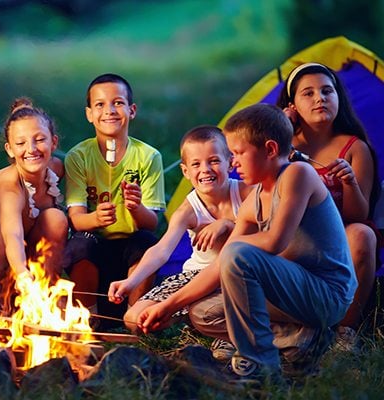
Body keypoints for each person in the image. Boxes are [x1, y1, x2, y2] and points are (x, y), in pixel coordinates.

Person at [139, 104, 356, 383]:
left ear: (269, 149)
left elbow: (276, 240)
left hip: (326, 294)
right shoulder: (253, 201)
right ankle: (299, 339)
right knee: (203, 313)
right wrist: (168, 305)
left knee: (237, 251)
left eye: (238, 153)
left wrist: (231, 244)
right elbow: (220, 266)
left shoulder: (297, 174)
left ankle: (260, 366)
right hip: (289, 296)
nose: (234, 161)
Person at [107, 125, 251, 342]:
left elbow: (262, 235)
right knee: (135, 318)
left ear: (230, 161)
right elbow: (162, 250)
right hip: (197, 275)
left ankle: (204, 320)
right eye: (196, 164)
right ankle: (189, 314)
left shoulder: (245, 193)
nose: (205, 170)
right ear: (185, 171)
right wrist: (131, 282)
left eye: (213, 160)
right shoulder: (189, 209)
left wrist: (226, 224)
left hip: (236, 276)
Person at [277, 62, 381, 349]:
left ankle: (345, 331)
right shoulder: (280, 146)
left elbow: (358, 216)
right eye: (307, 93)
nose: (319, 98)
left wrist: (350, 182)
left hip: (339, 241)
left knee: (363, 234)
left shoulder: (355, 148)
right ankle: (291, 325)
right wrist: (281, 131)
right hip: (294, 239)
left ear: (338, 98)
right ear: (292, 105)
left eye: (327, 91)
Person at [64, 73, 166, 323]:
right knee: (80, 242)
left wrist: (136, 208)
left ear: (132, 110)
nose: (109, 110)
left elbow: (151, 223)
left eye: (118, 103)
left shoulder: (148, 157)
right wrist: (96, 218)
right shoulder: (78, 157)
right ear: (89, 114)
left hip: (130, 250)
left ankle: (133, 315)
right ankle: (89, 317)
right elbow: (76, 220)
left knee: (148, 242)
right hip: (95, 250)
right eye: (100, 104)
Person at [0, 97, 68, 315]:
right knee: (1, 233)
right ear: (9, 149)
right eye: (21, 143)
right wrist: (22, 274)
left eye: (40, 140)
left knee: (56, 219)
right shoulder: (10, 187)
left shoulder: (56, 168)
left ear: (53, 142)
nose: (32, 149)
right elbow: (13, 236)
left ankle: (44, 298)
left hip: (25, 249)